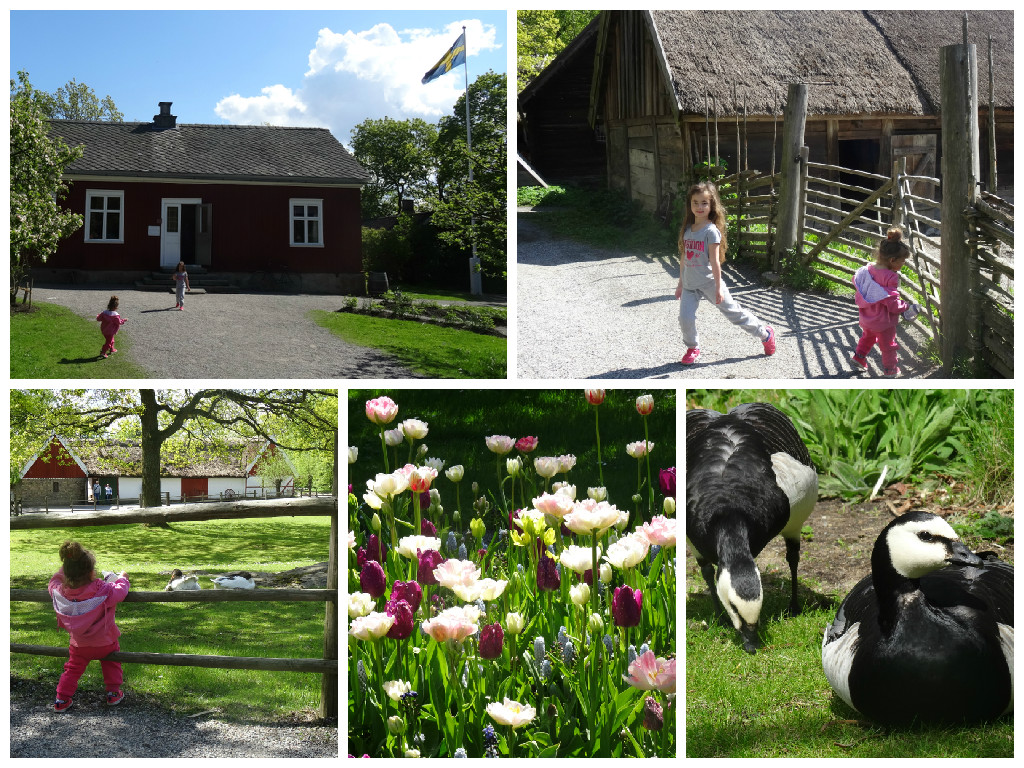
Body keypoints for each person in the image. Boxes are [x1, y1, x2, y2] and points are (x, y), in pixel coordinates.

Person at [674, 181, 775, 365]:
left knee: (734, 313)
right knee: (685, 318)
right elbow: (684, 259)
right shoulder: (688, 230)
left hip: (710, 283)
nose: (699, 207)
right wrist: (680, 283)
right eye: (695, 202)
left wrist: (719, 288)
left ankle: (765, 334)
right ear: (690, 204)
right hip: (689, 284)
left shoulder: (710, 231)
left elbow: (715, 262)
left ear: (712, 205)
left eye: (704, 203)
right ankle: (692, 347)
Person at [47, 541, 130, 712]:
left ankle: (61, 699)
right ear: (92, 572)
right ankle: (113, 693)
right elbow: (120, 591)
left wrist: (66, 567)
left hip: (79, 645)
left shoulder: (61, 592)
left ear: (67, 572)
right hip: (105, 643)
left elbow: (52, 582)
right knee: (111, 663)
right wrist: (123, 578)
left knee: (72, 669)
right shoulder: (103, 590)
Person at [852, 227, 922, 378]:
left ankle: (859, 357)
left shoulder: (867, 269)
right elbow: (892, 304)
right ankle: (890, 370)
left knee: (867, 337)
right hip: (883, 322)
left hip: (866, 318)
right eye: (902, 261)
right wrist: (906, 307)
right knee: (888, 346)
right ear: (892, 260)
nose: (903, 264)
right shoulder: (890, 277)